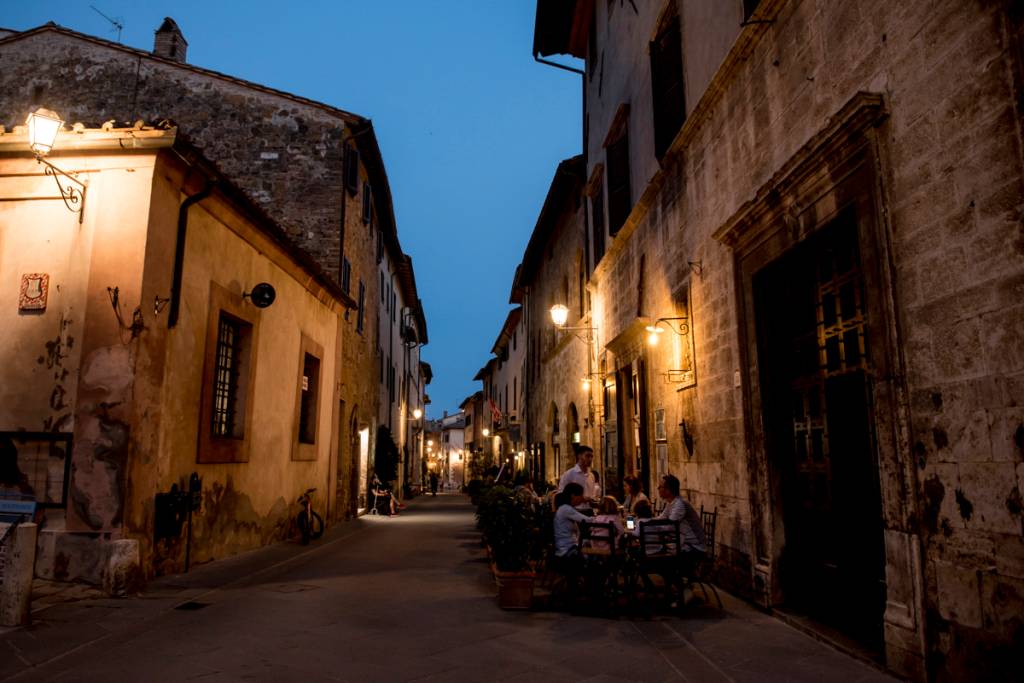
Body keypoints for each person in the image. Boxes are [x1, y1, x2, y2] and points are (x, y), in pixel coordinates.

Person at [656, 474, 706, 575]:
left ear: (668, 490)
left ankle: (678, 581)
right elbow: (660, 519)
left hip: (694, 547)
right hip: (684, 543)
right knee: (659, 554)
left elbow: (670, 527)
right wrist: (644, 521)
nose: (658, 488)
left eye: (660, 486)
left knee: (660, 558)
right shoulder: (671, 503)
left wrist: (649, 528)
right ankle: (675, 581)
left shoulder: (679, 505)